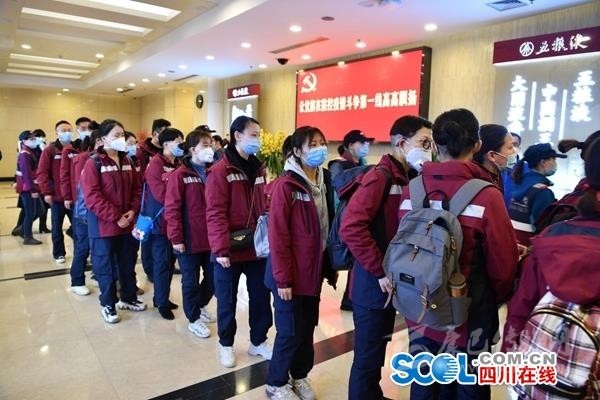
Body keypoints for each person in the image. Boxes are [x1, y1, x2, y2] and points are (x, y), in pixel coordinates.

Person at [397, 108, 519, 399]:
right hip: (468, 315)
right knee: (468, 387)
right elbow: (503, 269)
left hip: (421, 309)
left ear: (435, 144)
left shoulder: (412, 190)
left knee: (424, 384)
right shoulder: (487, 195)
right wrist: (494, 299)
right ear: (477, 145)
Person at [340, 115, 432, 400]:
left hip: (392, 282)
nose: (428, 150)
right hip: (373, 283)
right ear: (401, 143)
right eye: (423, 143)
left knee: (378, 349)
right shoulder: (380, 177)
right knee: (367, 356)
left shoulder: (409, 177)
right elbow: (351, 227)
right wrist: (379, 270)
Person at [502, 136, 600, 399]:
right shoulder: (543, 192)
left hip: (542, 381)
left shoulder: (553, 232)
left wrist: (509, 358)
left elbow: (521, 306)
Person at [265, 126, 335, 400]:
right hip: (289, 275)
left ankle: (300, 375)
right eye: (312, 144)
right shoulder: (287, 185)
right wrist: (283, 279)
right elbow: (278, 236)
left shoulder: (324, 180)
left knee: (306, 330)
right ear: (297, 151)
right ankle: (275, 383)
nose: (319, 149)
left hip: (312, 272)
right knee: (289, 331)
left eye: (321, 143)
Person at [205, 115, 273, 368]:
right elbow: (214, 212)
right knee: (227, 300)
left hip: (256, 246)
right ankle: (226, 344)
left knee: (261, 297)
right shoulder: (221, 170)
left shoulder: (259, 167)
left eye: (259, 135)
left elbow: (264, 202)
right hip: (229, 249)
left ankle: (258, 341)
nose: (258, 140)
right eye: (253, 135)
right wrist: (220, 249)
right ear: (237, 136)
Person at [80, 119, 146, 324]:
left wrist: (132, 211)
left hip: (127, 224)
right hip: (104, 226)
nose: (121, 139)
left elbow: (137, 190)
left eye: (122, 134)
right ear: (102, 139)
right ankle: (108, 304)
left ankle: (128, 297)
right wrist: (116, 217)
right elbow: (92, 197)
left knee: (127, 263)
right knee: (105, 267)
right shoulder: (94, 163)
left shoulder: (128, 161)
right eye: (116, 135)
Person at [165, 131, 216, 337]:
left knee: (214, 278)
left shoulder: (214, 172)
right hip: (189, 239)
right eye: (205, 145)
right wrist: (176, 238)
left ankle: (200, 305)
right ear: (193, 149)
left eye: (211, 144)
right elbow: (172, 209)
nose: (210, 148)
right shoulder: (180, 175)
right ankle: (193, 318)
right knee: (190, 281)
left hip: (212, 237)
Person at [328, 129, 375, 312]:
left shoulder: (362, 165)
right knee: (352, 258)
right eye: (362, 143)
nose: (366, 146)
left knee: (357, 259)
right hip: (347, 220)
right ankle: (349, 299)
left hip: (359, 218)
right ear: (349, 145)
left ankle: (350, 298)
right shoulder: (339, 167)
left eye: (367, 143)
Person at [143, 127, 184, 320]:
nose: (181, 145)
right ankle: (161, 302)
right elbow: (161, 194)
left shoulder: (179, 163)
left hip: (176, 222)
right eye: (178, 142)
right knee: (162, 263)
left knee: (170, 263)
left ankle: (161, 298)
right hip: (161, 222)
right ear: (166, 144)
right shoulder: (156, 164)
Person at [62, 124, 98, 297]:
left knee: (99, 249)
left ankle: (99, 273)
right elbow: (83, 188)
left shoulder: (110, 160)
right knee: (83, 248)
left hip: (99, 214)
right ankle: (77, 281)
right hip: (85, 212)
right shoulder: (85, 159)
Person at [509, 143, 567, 245]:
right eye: (553, 159)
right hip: (530, 246)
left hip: (514, 242)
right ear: (543, 162)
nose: (555, 163)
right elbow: (545, 227)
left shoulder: (520, 182)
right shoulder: (543, 193)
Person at [137, 118, 171, 282]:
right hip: (150, 199)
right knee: (148, 235)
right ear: (155, 134)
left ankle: (160, 267)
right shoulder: (143, 152)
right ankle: (149, 268)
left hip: (164, 203)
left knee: (161, 243)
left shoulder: (169, 155)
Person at [37, 120, 75, 264]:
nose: (67, 133)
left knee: (78, 227)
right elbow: (42, 173)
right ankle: (59, 253)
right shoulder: (50, 150)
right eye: (63, 130)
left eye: (69, 130)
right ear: (57, 132)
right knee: (57, 227)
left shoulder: (75, 149)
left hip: (73, 196)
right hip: (57, 197)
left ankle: (81, 252)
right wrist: (46, 192)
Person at [15, 130, 43, 245]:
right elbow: (26, 174)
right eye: (31, 139)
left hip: (32, 186)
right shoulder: (25, 154)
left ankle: (22, 228)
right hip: (27, 188)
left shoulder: (30, 152)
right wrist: (32, 190)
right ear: (24, 141)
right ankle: (27, 236)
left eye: (34, 138)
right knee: (30, 212)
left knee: (40, 210)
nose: (34, 140)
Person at [473, 124, 517, 193]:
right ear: (492, 155)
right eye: (510, 147)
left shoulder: (496, 176)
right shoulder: (480, 186)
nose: (514, 151)